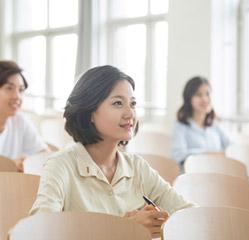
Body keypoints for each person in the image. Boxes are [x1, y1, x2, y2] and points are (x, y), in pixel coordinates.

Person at [30, 65, 194, 238]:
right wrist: (124, 228)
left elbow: (189, 214)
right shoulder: (61, 165)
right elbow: (40, 232)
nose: (130, 113)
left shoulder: (137, 167)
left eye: (133, 104)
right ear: (90, 112)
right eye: (118, 103)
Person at [0, 60, 48, 171]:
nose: (17, 97)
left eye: (21, 90)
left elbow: (45, 157)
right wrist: (10, 165)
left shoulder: (20, 121)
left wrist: (31, 162)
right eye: (9, 88)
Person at [171, 76, 230, 165]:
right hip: (193, 175)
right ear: (189, 99)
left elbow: (231, 147)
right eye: (199, 95)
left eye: (207, 94)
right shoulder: (180, 126)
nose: (205, 99)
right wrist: (210, 154)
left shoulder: (214, 125)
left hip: (218, 172)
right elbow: (178, 155)